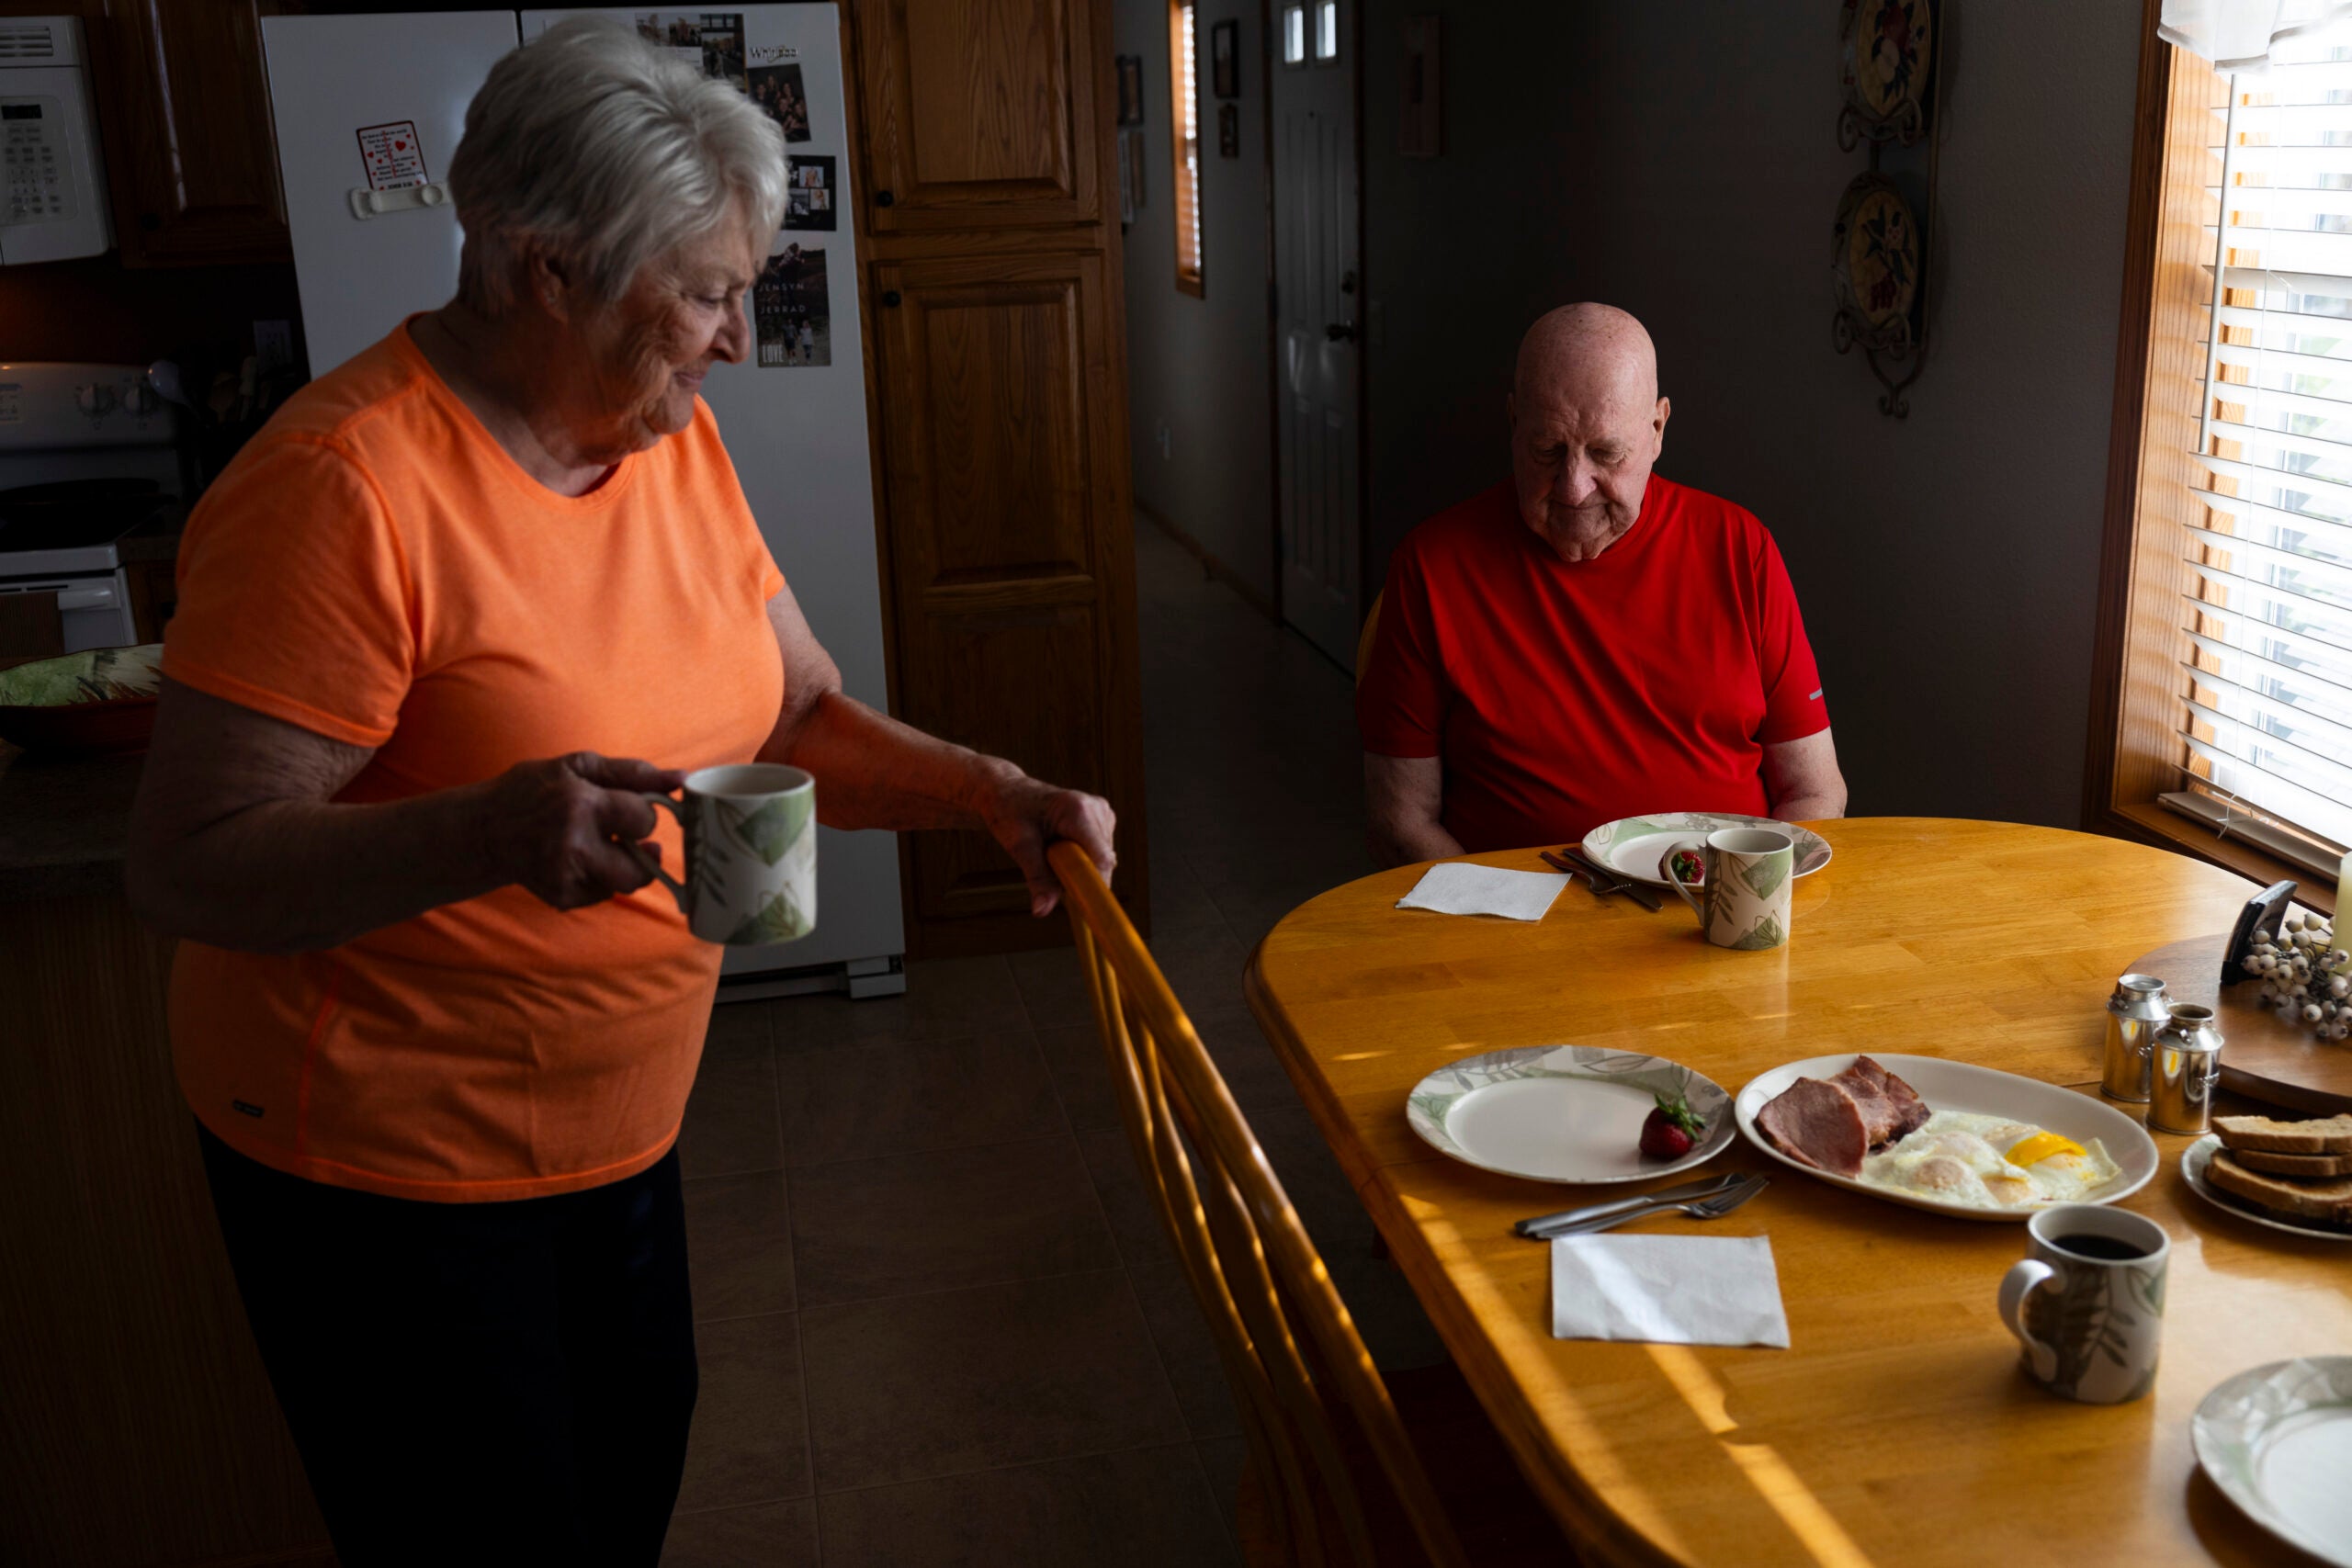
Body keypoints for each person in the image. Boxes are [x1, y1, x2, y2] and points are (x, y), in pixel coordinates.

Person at [123, 19, 1114, 1566]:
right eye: (707, 293)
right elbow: (188, 861)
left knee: (625, 1489)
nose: (734, 335)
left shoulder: (669, 443)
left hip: (617, 1126)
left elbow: (796, 714)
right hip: (390, 1165)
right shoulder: (345, 489)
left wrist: (991, 789)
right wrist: (489, 829)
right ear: (547, 269)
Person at [1357, 303, 1845, 866]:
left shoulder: (1743, 549)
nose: (1572, 487)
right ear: (1514, 424)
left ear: (1657, 429)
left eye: (1606, 453)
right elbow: (1400, 821)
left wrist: (1737, 907)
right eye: (1547, 451)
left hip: (1719, 912)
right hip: (1514, 925)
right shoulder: (1431, 566)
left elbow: (1814, 791)